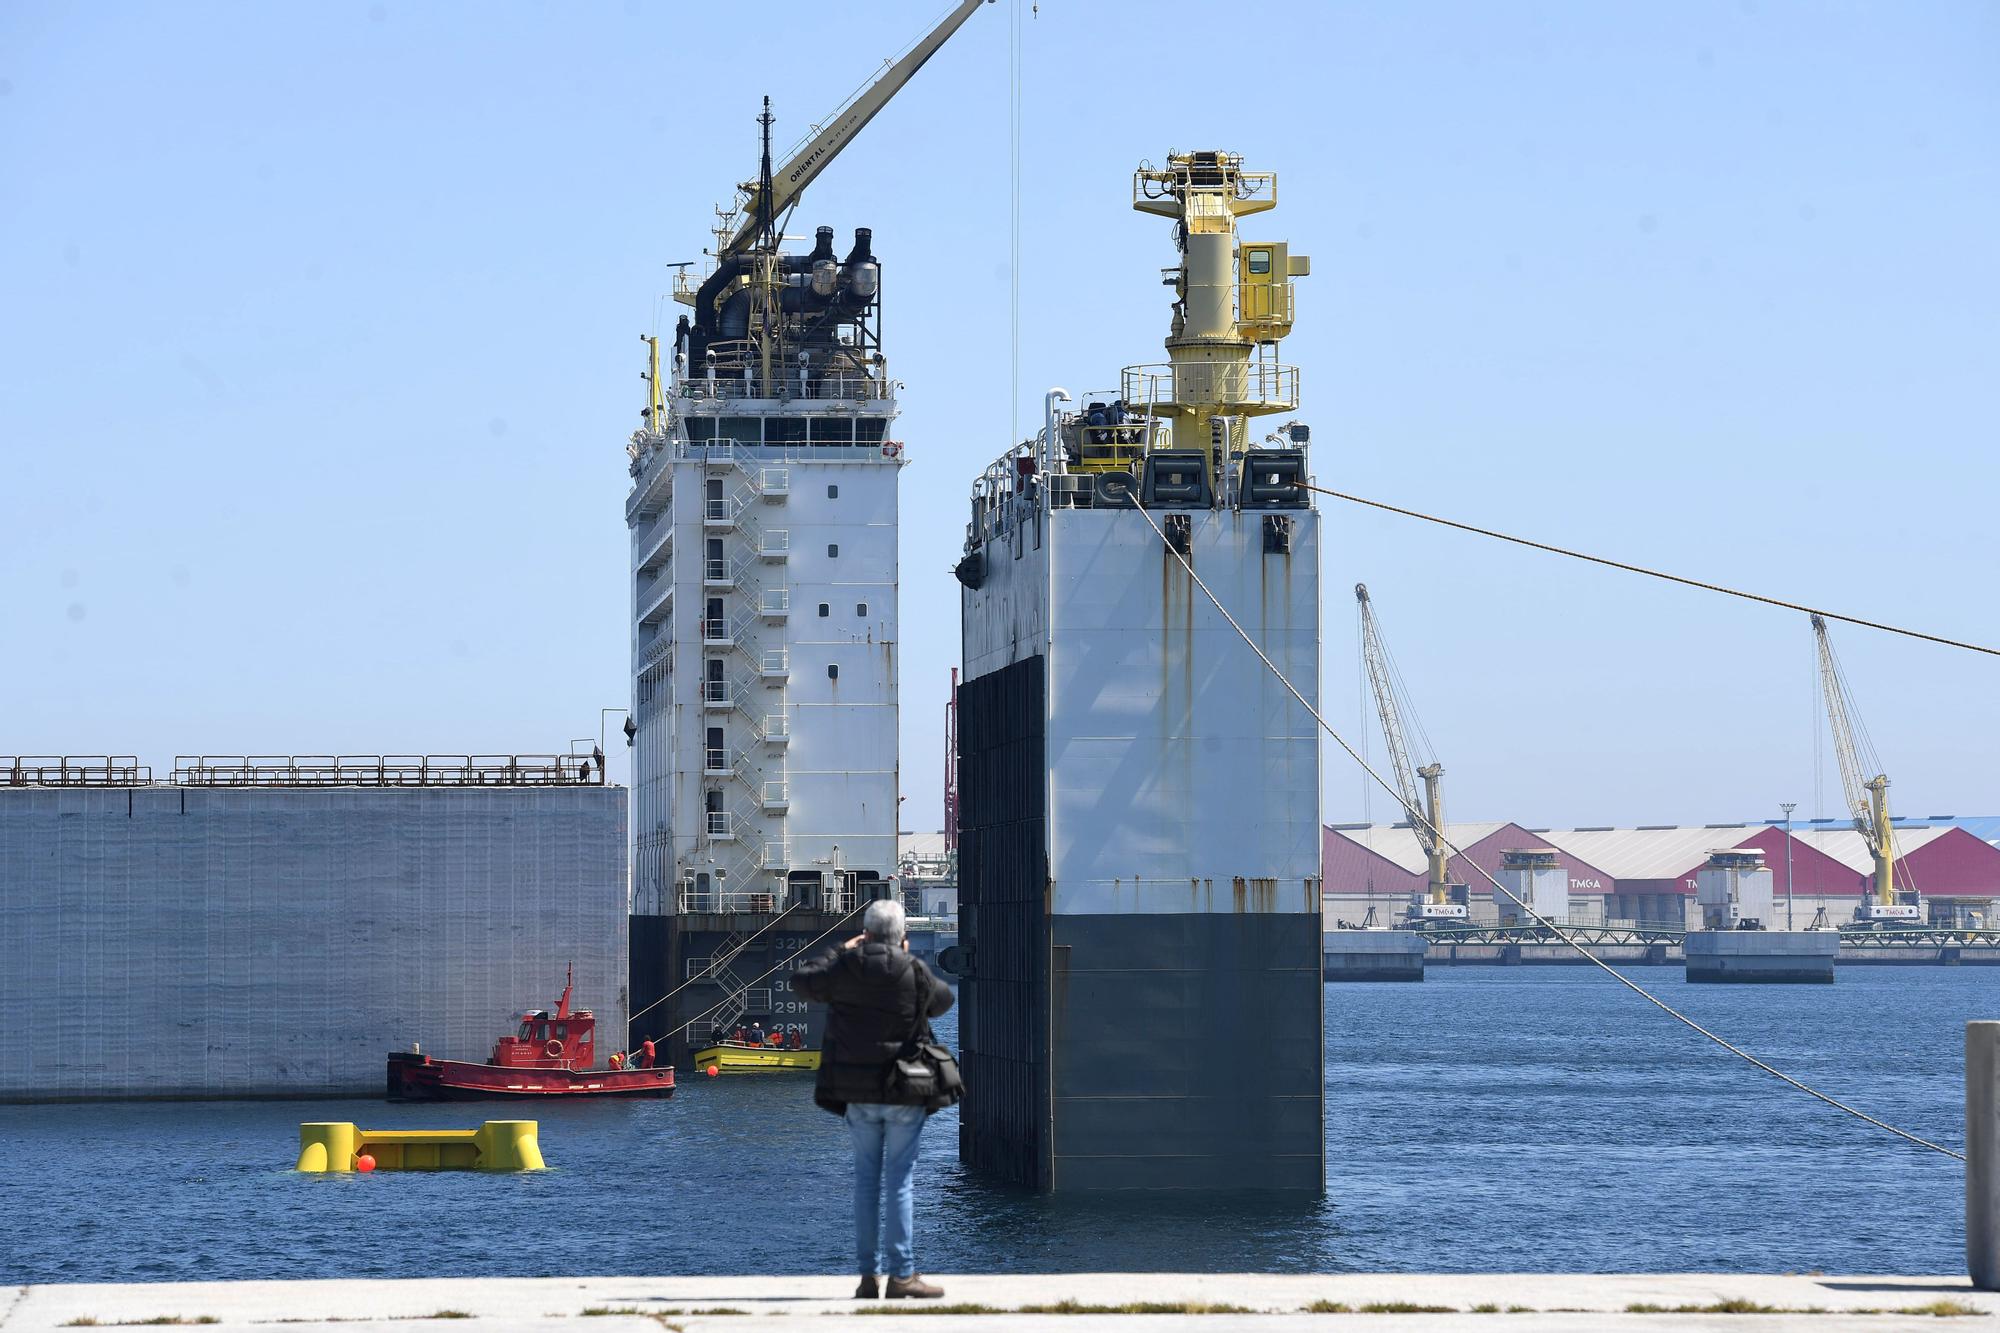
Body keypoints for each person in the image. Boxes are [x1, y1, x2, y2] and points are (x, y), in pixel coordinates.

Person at [790, 898, 953, 1301]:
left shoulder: (847, 967)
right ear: (901, 937)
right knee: (900, 1183)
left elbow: (802, 980)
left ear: (866, 933)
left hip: (858, 1094)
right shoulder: (911, 969)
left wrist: (842, 950)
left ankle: (868, 1278)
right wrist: (906, 962)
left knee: (866, 1183)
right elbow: (944, 1000)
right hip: (904, 1089)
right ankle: (902, 1276)